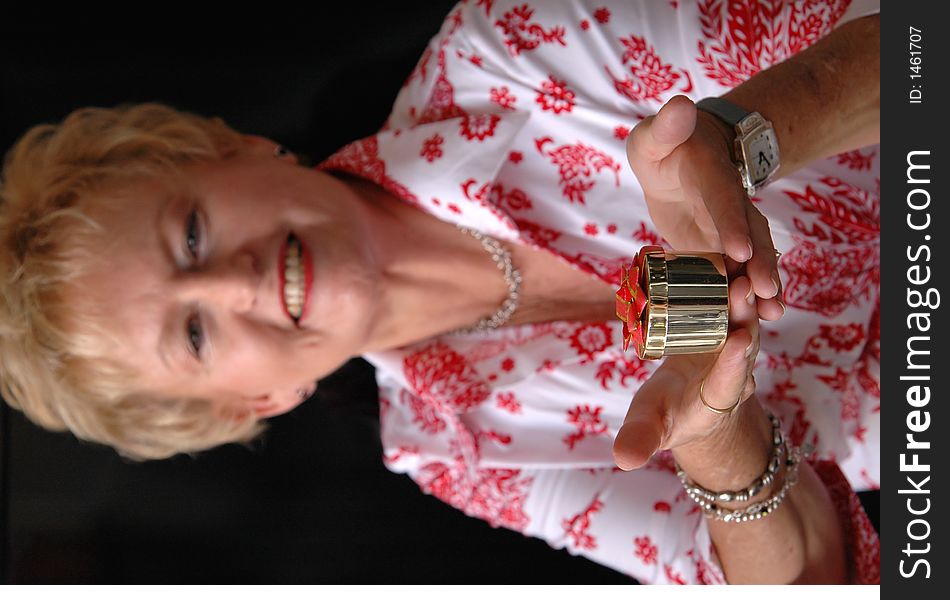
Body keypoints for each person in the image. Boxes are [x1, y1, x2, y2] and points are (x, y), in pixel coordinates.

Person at [0, 0, 879, 584]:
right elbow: (818, 583)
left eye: (191, 234)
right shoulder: (454, 453)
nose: (233, 281)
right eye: (193, 334)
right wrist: (722, 442)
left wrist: (746, 135)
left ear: (235, 149)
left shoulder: (508, 47)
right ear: (252, 403)